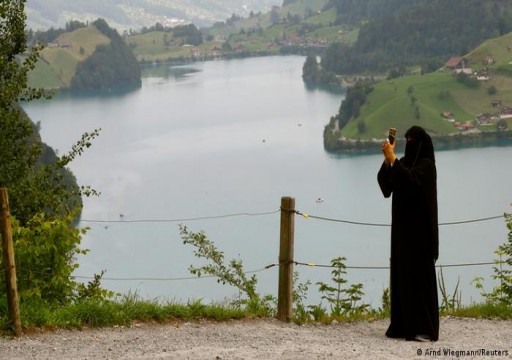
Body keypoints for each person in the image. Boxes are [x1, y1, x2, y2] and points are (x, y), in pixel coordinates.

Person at [377, 125, 439, 342]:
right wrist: (388, 160)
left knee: (419, 280)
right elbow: (386, 187)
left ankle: (424, 328)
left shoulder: (427, 166)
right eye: (407, 139)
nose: (408, 143)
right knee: (402, 277)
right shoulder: (402, 163)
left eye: (412, 140)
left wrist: (394, 159)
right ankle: (403, 325)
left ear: (421, 143)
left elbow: (411, 182)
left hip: (420, 235)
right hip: (402, 234)